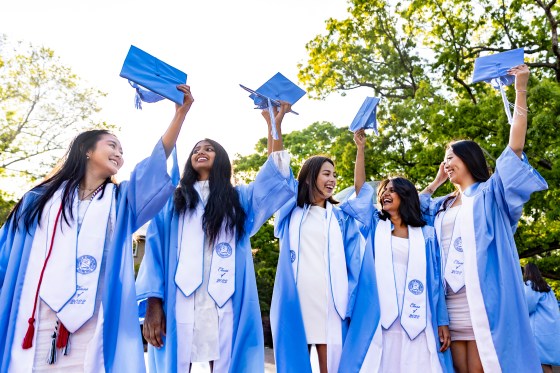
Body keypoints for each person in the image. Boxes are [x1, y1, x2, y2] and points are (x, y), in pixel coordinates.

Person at [0, 85, 194, 372]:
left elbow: (153, 169)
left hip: (93, 321)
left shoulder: (121, 201)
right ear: (86, 150)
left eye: (122, 151)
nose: (119, 154)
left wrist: (180, 114)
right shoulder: (39, 200)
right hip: (35, 317)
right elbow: (7, 254)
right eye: (112, 145)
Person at [136, 102, 295, 373]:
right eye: (196, 149)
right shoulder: (173, 201)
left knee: (225, 357)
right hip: (180, 295)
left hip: (226, 294)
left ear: (220, 158)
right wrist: (153, 302)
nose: (201, 151)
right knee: (176, 357)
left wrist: (274, 126)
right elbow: (155, 250)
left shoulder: (238, 200)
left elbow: (274, 178)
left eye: (209, 148)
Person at [420, 64, 547, 372]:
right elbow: (414, 205)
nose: (446, 163)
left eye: (451, 156)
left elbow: (514, 146)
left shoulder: (491, 195)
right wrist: (436, 181)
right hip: (449, 306)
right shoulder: (440, 206)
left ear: (469, 158)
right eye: (444, 159)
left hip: (485, 301)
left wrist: (520, 89)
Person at [338, 130, 452, 372]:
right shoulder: (374, 224)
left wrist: (442, 321)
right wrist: (360, 150)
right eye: (383, 191)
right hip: (379, 316)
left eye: (392, 190)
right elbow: (360, 192)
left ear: (405, 195)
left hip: (418, 316)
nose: (385, 194)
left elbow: (435, 284)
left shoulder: (426, 234)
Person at [270, 149, 364, 373]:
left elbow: (355, 262)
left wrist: (360, 149)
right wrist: (275, 125)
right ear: (311, 176)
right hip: (296, 298)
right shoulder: (291, 212)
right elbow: (278, 172)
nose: (332, 180)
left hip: (330, 301)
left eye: (334, 175)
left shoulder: (341, 217)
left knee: (330, 366)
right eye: (326, 174)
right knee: (294, 364)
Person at [523, 263, 560, 373]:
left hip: (537, 327)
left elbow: (528, 306)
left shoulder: (530, 285)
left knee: (539, 360)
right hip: (549, 327)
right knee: (545, 361)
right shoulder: (546, 286)